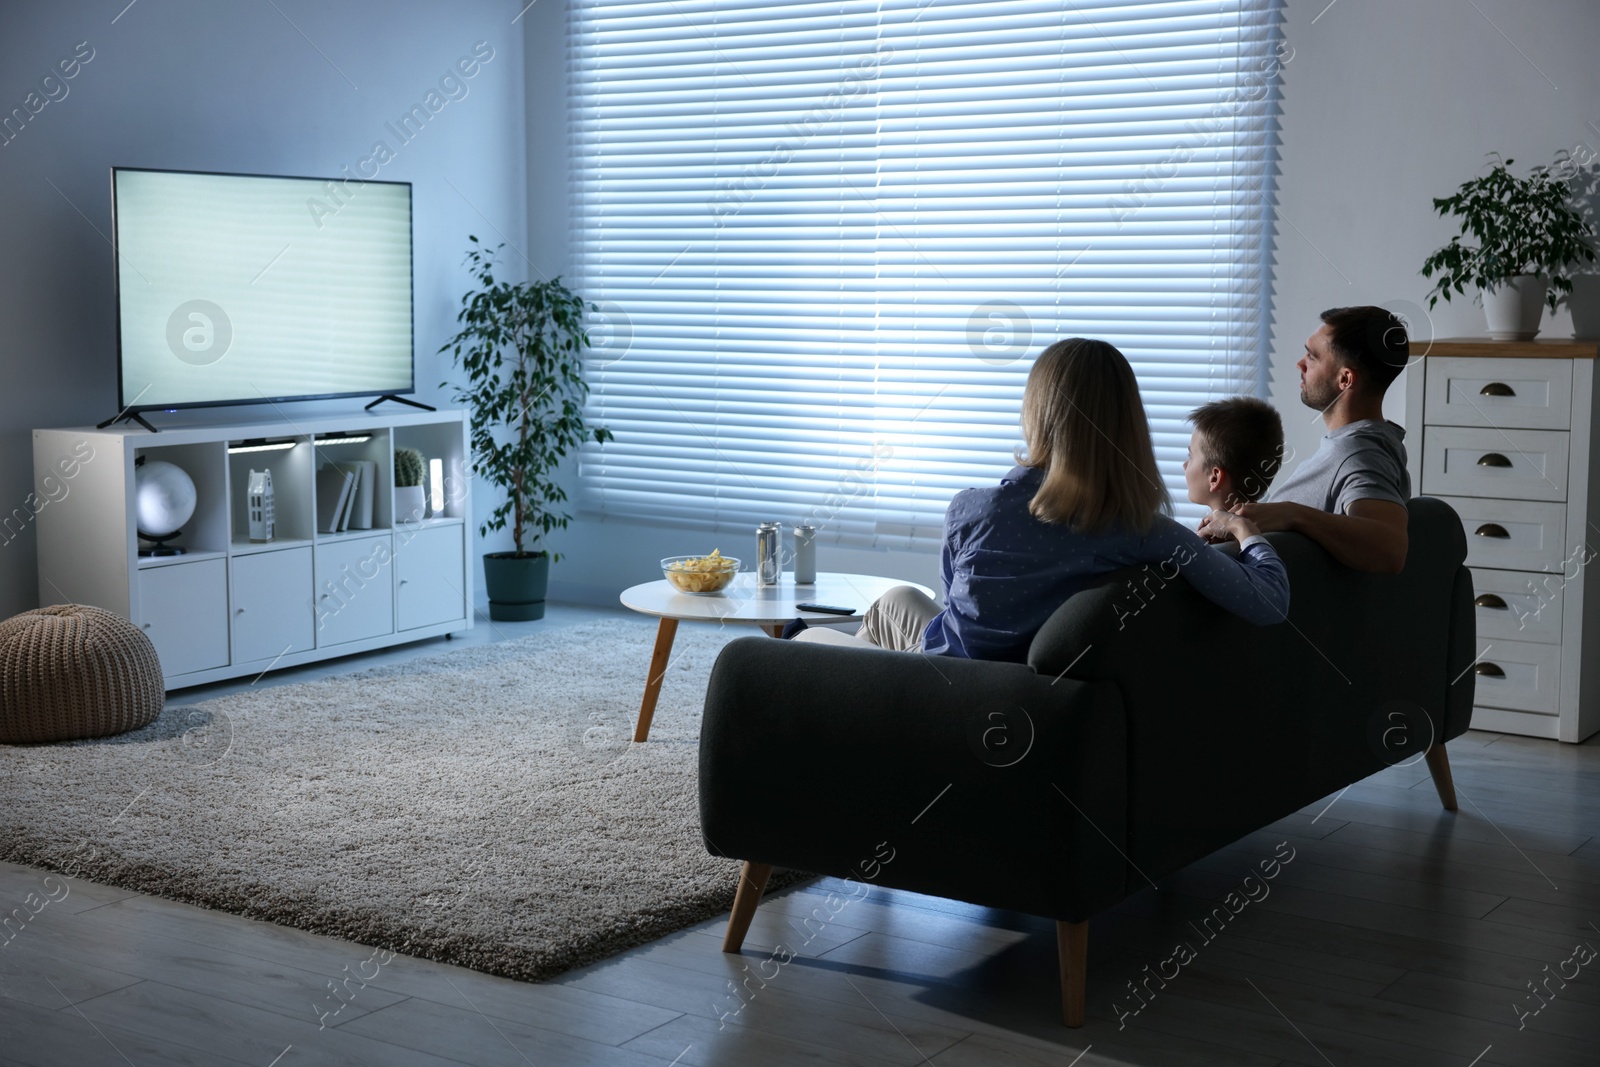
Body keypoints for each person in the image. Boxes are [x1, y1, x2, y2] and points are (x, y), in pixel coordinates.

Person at [791, 338, 1291, 663]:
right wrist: (1247, 532)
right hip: (984, 675)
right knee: (891, 604)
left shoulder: (972, 510)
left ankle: (860, 713)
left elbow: (954, 600)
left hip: (943, 687)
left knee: (796, 646)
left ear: (1039, 414)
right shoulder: (1147, 533)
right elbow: (1269, 602)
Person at [1200, 306, 1410, 574]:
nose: (1299, 364)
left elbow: (1389, 550)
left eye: (1312, 356)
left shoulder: (1360, 453)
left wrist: (1291, 514)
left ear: (1344, 378)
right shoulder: (1369, 444)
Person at [1183, 396, 1286, 512]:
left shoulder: (1213, 530)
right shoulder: (1263, 528)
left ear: (1214, 478)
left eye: (1190, 456)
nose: (1184, 465)